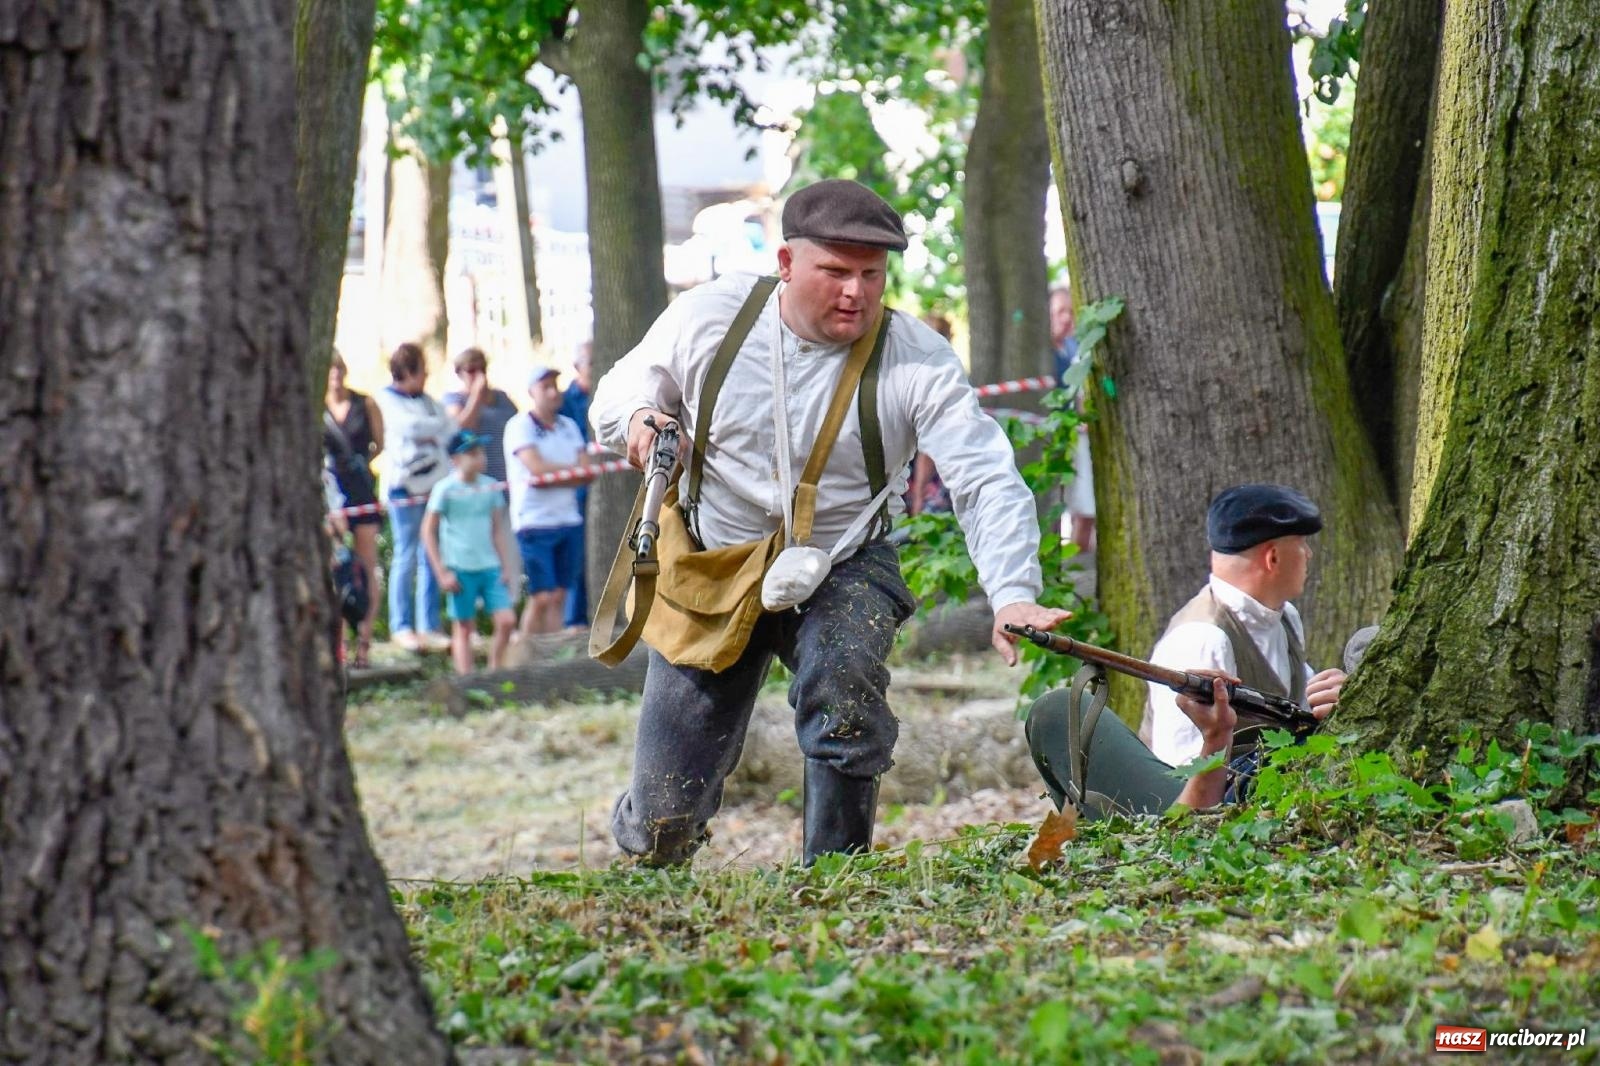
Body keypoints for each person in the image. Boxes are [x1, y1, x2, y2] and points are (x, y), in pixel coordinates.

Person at [590, 178, 1069, 867]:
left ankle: (836, 875)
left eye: (871, 275)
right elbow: (618, 393)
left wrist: (1013, 590)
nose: (856, 292)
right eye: (835, 272)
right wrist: (641, 420)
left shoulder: (914, 356)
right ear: (786, 264)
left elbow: (984, 474)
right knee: (665, 810)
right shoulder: (709, 319)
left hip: (845, 561)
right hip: (714, 558)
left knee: (845, 689)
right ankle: (654, 858)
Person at [1141, 484, 1346, 768]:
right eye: (1301, 543)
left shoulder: (1285, 615)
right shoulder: (1203, 638)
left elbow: (1299, 710)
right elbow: (1182, 773)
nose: (1308, 554)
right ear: (1272, 557)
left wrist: (1338, 699)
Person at [372, 343, 455, 652]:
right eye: (422, 369)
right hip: (404, 489)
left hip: (434, 486)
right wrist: (435, 427)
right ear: (408, 371)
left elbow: (450, 428)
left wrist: (435, 427)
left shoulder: (429, 402)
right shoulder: (386, 400)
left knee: (431, 553)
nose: (427, 376)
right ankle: (401, 624)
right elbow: (409, 427)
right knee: (406, 554)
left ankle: (429, 624)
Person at [505, 366, 592, 637]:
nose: (554, 392)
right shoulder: (520, 426)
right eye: (546, 387)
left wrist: (553, 475)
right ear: (532, 392)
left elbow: (586, 471)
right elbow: (535, 469)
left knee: (559, 595)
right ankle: (524, 654)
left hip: (568, 518)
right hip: (534, 521)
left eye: (556, 385)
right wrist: (567, 473)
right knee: (541, 596)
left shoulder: (569, 426)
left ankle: (553, 655)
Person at [422, 431, 519, 674]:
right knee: (463, 626)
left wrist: (506, 565)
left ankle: (495, 670)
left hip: (489, 565)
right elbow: (428, 531)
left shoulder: (490, 487)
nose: (479, 459)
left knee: (506, 620)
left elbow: (497, 530)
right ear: (455, 459)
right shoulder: (444, 489)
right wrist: (442, 571)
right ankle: (466, 680)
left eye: (480, 453)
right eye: (471, 453)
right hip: (459, 565)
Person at [323, 350, 385, 666]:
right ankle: (338, 643)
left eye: (339, 368)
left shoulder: (366, 404)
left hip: (361, 490)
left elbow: (379, 443)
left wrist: (360, 466)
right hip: (329, 493)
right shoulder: (317, 409)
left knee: (366, 565)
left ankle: (364, 641)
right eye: (330, 369)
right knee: (334, 567)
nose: (335, 374)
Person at [1050, 286, 1095, 553]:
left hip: (1076, 437)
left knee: (1084, 506)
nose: (1066, 318)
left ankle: (1077, 563)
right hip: (1054, 440)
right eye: (1060, 312)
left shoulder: (1071, 350)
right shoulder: (1044, 355)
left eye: (1070, 312)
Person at [443, 347, 520, 491]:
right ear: (460, 373)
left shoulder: (502, 398)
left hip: (504, 476)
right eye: (472, 370)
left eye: (482, 369)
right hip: (474, 482)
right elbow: (460, 428)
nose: (479, 375)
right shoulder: (454, 400)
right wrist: (476, 397)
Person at [558, 343, 595, 628]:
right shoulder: (565, 403)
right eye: (590, 363)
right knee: (576, 556)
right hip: (574, 492)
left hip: (596, 482)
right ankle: (574, 619)